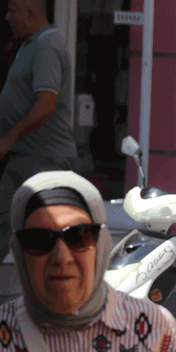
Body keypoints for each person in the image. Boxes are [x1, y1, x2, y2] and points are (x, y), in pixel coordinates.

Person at [0, 170, 176, 352]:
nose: (61, 257)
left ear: (102, 244)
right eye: (38, 239)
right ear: (18, 250)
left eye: (79, 236)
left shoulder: (154, 327)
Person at [0, 0, 77, 263]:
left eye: (12, 11)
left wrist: (8, 139)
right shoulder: (29, 44)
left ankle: (48, 296)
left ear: (30, 13)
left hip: (42, 159)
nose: (8, 17)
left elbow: (46, 104)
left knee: (40, 230)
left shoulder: (47, 45)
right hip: (26, 157)